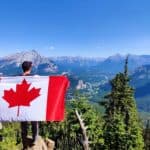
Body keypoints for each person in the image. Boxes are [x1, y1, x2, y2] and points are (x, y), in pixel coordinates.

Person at [21, 61, 39, 149]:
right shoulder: (35, 77)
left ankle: (24, 141)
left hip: (22, 104)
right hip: (32, 104)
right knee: (34, 123)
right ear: (30, 68)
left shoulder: (16, 78)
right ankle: (35, 140)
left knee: (23, 124)